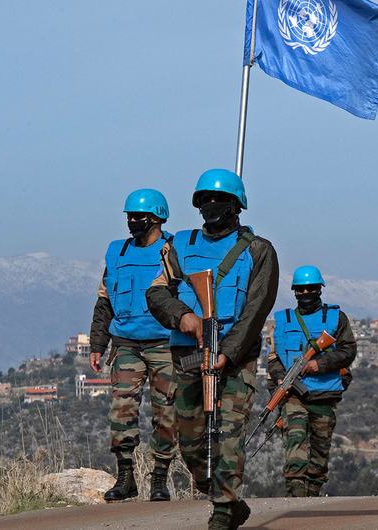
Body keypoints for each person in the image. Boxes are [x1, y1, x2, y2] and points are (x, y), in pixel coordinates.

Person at [146, 169, 278, 529]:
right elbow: (157, 292)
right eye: (205, 199)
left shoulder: (257, 251)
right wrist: (185, 317)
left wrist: (229, 350)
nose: (212, 205)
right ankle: (224, 496)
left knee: (229, 434)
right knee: (190, 442)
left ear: (237, 205)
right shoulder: (180, 246)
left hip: (235, 359)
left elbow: (257, 307)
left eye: (220, 199)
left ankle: (222, 510)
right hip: (188, 355)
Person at [89, 189, 177, 502]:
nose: (132, 222)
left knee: (166, 413)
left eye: (139, 216)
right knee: (121, 412)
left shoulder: (172, 250)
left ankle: (159, 480)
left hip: (165, 344)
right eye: (129, 216)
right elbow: (104, 301)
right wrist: (97, 344)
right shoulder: (117, 253)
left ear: (156, 218)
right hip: (126, 342)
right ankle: (126, 476)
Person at [267, 265, 357, 497]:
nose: (306, 294)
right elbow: (274, 357)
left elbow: (348, 351)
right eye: (301, 290)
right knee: (294, 438)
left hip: (324, 393)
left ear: (319, 289)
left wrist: (319, 364)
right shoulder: (282, 320)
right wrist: (279, 377)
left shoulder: (336, 318)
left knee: (320, 444)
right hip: (293, 395)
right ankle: (296, 491)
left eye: (311, 289)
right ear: (295, 291)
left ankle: (313, 491)